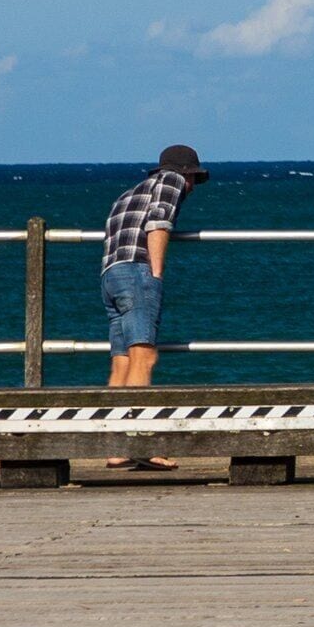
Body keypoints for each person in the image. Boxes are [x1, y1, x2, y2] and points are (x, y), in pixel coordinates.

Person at [98, 144, 209, 469]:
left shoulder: (126, 195)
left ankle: (116, 448)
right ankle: (141, 443)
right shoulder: (171, 180)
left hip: (110, 276)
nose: (191, 188)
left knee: (122, 363)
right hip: (136, 272)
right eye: (195, 181)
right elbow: (158, 223)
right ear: (186, 174)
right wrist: (156, 274)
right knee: (145, 356)